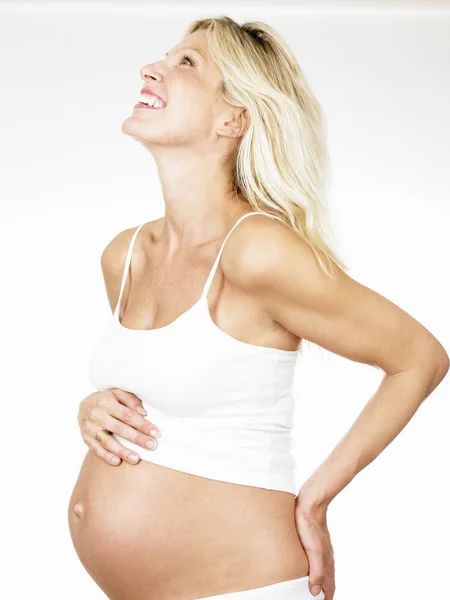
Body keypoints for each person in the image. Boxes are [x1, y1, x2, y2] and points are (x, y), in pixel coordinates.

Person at [68, 16, 449, 600]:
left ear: (234, 118)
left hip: (243, 588)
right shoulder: (124, 256)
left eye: (187, 63)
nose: (153, 68)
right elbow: (166, 397)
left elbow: (419, 358)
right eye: (165, 56)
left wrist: (318, 497)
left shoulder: (259, 252)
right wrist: (93, 411)